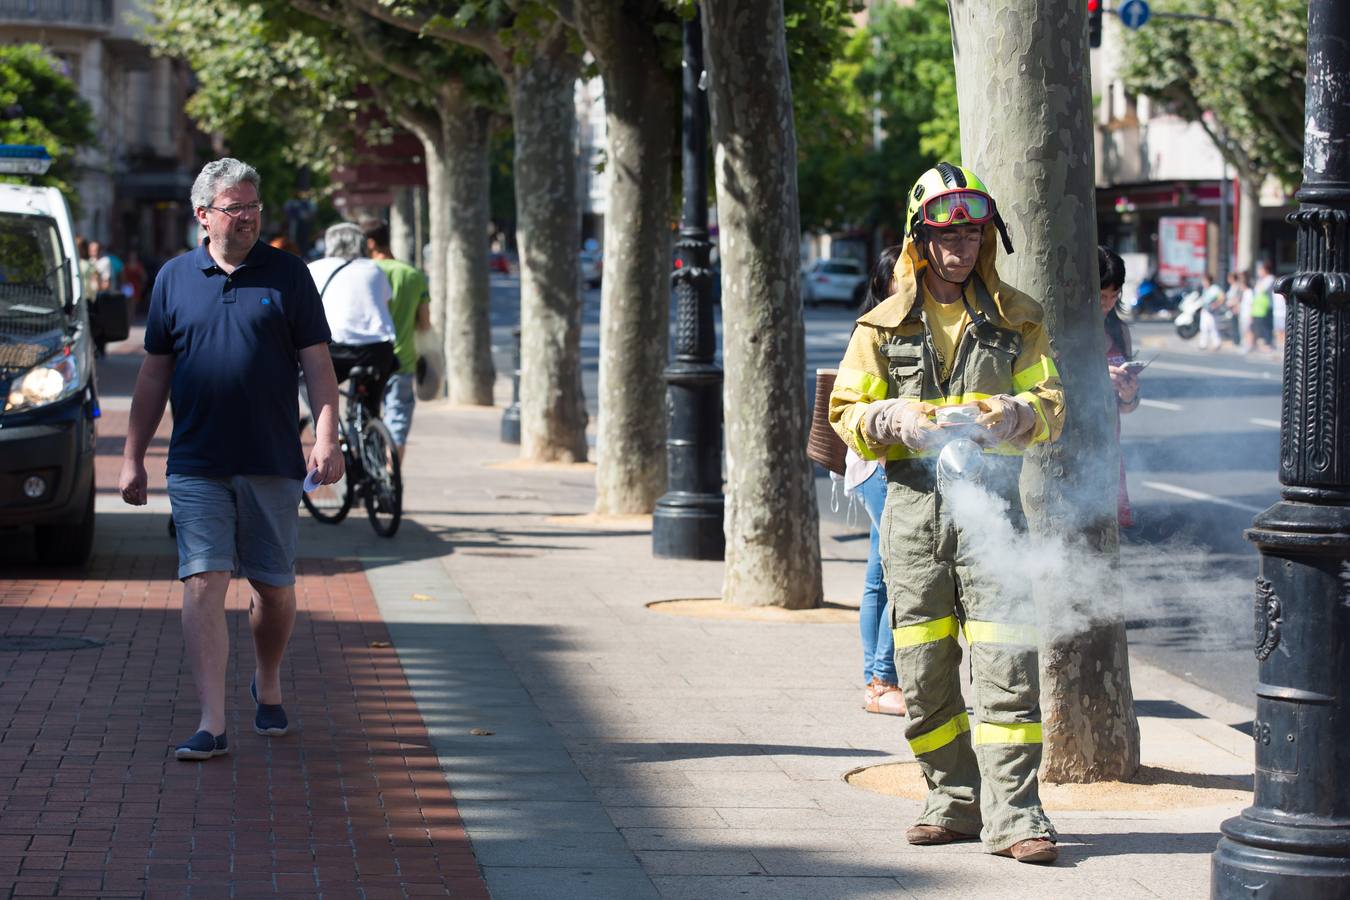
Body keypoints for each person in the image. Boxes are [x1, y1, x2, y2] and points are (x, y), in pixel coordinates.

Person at [830, 163, 1065, 865]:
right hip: (913, 517)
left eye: (972, 236)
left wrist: (1018, 413)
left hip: (993, 516)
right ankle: (951, 802)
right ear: (920, 242)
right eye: (947, 236)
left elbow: (1054, 406)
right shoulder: (882, 324)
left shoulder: (1017, 317)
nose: (960, 249)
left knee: (1005, 667)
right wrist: (894, 418)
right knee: (924, 668)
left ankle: (1018, 815)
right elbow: (846, 412)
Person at [118, 158, 343, 762]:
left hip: (272, 459)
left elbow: (318, 364)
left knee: (274, 589)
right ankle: (212, 721)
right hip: (196, 461)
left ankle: (266, 680)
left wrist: (327, 437)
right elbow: (153, 372)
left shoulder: (288, 274)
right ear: (203, 216)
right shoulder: (173, 278)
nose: (246, 218)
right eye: (234, 208)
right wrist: (133, 457)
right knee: (203, 580)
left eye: (252, 207)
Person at [848, 245, 905, 718]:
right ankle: (883, 678)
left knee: (879, 577)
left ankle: (875, 679)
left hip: (878, 467)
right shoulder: (876, 331)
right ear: (883, 284)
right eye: (899, 277)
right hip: (879, 466)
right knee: (898, 573)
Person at [361, 218, 431, 460]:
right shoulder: (413, 275)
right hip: (404, 359)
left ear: (370, 243)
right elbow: (424, 323)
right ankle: (392, 477)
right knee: (398, 419)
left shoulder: (363, 274)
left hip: (368, 357)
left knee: (364, 416)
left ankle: (367, 470)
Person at [307, 222, 397, 410]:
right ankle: (371, 430)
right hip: (377, 348)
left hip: (335, 348)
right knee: (371, 406)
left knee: (306, 385)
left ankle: (330, 427)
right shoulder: (374, 269)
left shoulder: (314, 268)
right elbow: (385, 301)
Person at [1100, 247, 1140, 528]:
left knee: (1107, 537)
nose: (1109, 303)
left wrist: (1128, 395)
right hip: (1072, 447)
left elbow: (1128, 407)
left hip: (1109, 448)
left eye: (1115, 296)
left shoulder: (1119, 331)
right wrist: (1097, 378)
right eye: (1102, 296)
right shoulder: (1064, 329)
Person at [1250, 259, 1277, 353]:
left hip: (1267, 306)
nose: (1259, 272)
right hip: (1259, 307)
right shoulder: (1260, 280)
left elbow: (1262, 290)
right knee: (1259, 325)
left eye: (1261, 270)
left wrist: (1259, 285)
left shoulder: (1270, 278)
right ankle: (1261, 343)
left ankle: (1268, 343)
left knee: (1267, 325)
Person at [1195, 271, 1225, 352]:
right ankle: (1203, 344)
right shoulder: (1205, 289)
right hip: (1205, 311)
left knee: (1213, 328)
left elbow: (1222, 297)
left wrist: (1216, 304)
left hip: (1212, 312)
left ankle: (1217, 343)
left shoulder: (1214, 288)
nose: (1203, 283)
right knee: (1203, 327)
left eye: (1205, 281)